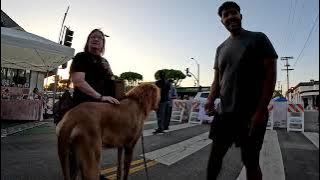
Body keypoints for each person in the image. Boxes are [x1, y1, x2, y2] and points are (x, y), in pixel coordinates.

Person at [204, 2, 277, 180]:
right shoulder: (220, 49)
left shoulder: (258, 38)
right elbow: (217, 80)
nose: (230, 17)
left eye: (233, 13)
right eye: (225, 15)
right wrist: (210, 100)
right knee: (215, 158)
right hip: (224, 115)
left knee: (250, 161)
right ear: (221, 21)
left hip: (251, 114)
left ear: (241, 16)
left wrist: (261, 110)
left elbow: (270, 75)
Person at [70, 29, 120, 106]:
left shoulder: (104, 61)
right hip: (86, 107)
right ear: (88, 42)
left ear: (103, 44)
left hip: (107, 106)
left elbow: (112, 80)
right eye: (93, 37)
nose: (96, 39)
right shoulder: (81, 57)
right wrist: (100, 97)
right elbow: (78, 81)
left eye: (99, 38)